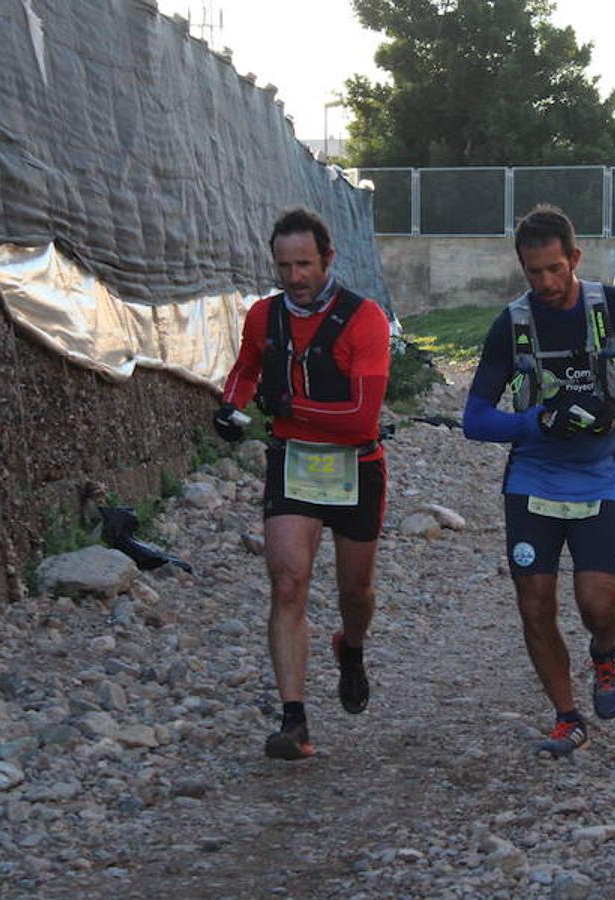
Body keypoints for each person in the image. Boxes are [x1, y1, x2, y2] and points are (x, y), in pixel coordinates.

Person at [463, 204, 615, 758]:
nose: (547, 282)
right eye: (535, 272)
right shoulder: (512, 325)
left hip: (599, 474)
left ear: (575, 258)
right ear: (522, 269)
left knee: (596, 604)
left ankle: (606, 652)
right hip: (531, 479)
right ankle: (565, 716)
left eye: (556, 268)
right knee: (535, 604)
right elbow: (475, 419)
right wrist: (532, 421)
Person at [213, 208, 391, 760]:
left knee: (354, 593)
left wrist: (291, 405)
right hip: (292, 462)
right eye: (284, 265)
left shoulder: (365, 321)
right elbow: (245, 368)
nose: (294, 277)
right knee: (288, 583)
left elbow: (362, 417)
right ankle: (294, 720)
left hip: (356, 464)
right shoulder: (264, 318)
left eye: (305, 265)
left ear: (328, 259)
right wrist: (230, 404)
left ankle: (352, 648)